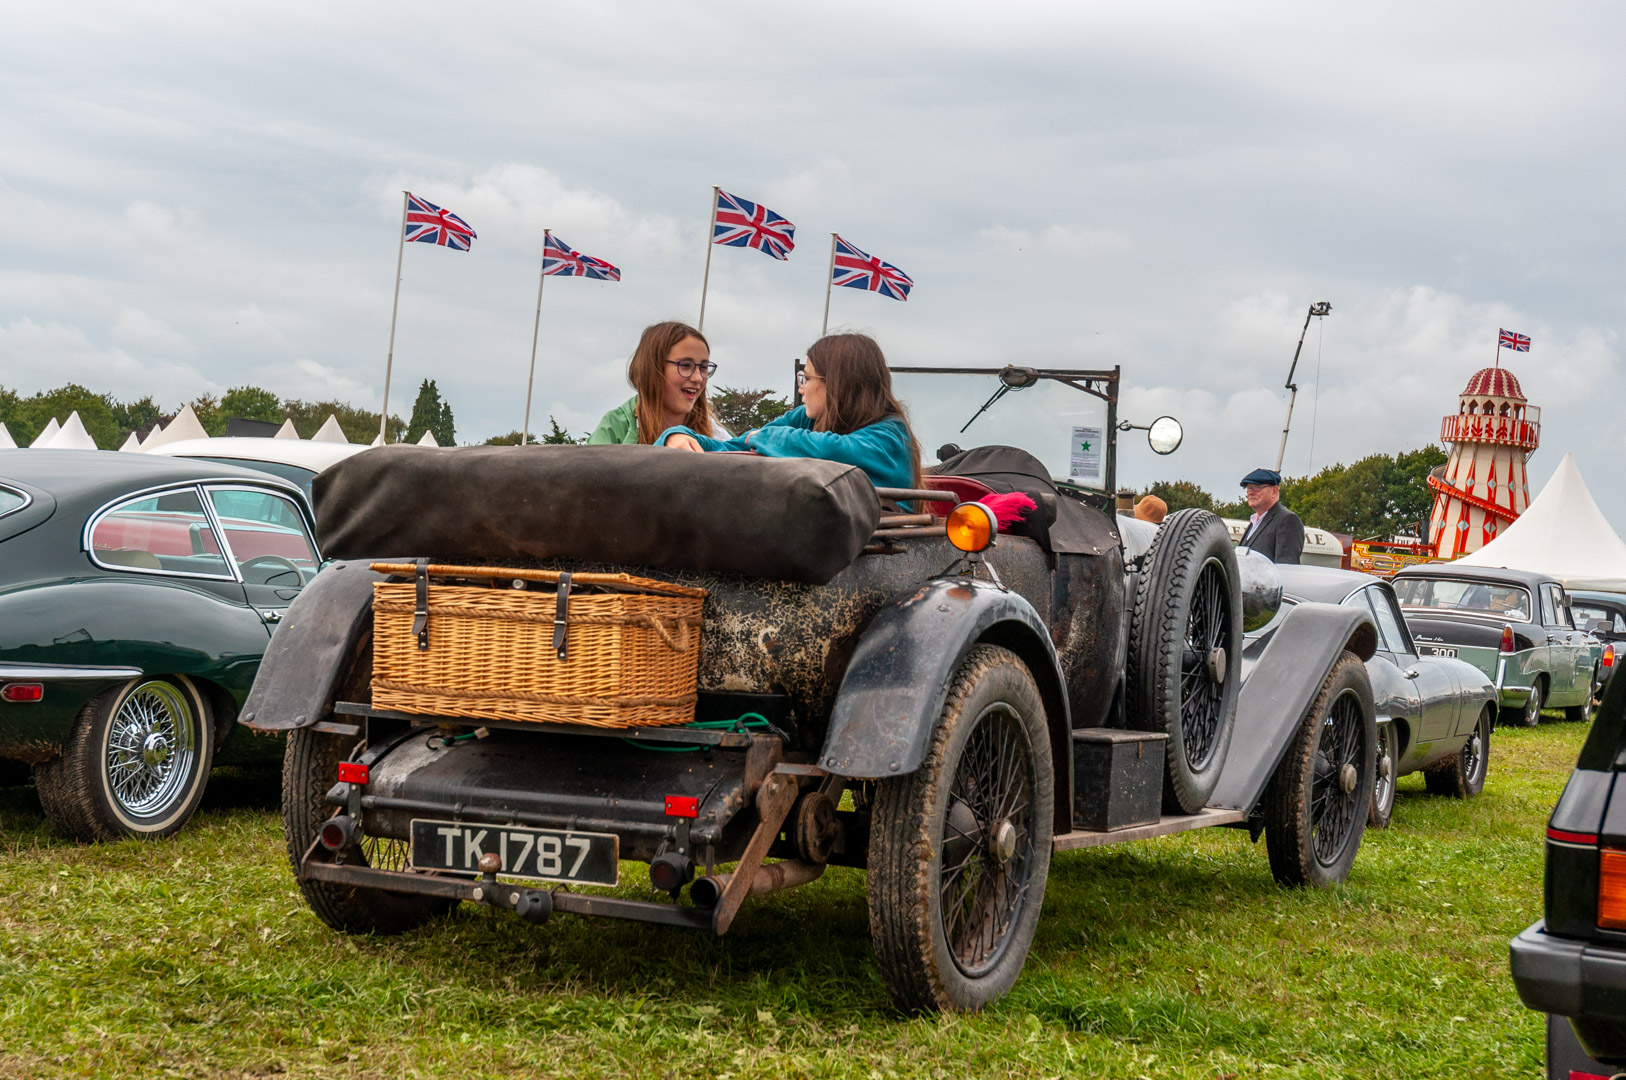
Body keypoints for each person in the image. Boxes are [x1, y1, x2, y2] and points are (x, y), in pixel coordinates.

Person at [656, 332, 920, 490]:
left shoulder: (892, 437)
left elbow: (836, 452)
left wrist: (768, 438)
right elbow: (735, 447)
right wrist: (678, 436)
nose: (801, 389)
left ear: (836, 385)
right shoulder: (806, 419)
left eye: (807, 378)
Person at [587, 321, 729, 444]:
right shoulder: (615, 428)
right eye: (686, 365)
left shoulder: (720, 437)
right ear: (653, 368)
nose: (698, 378)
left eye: (704, 367)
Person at [1238, 467, 1304, 564]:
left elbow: (1286, 566)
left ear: (1274, 491)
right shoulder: (1254, 522)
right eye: (1248, 488)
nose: (1251, 493)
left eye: (1257, 488)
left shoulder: (1288, 520)